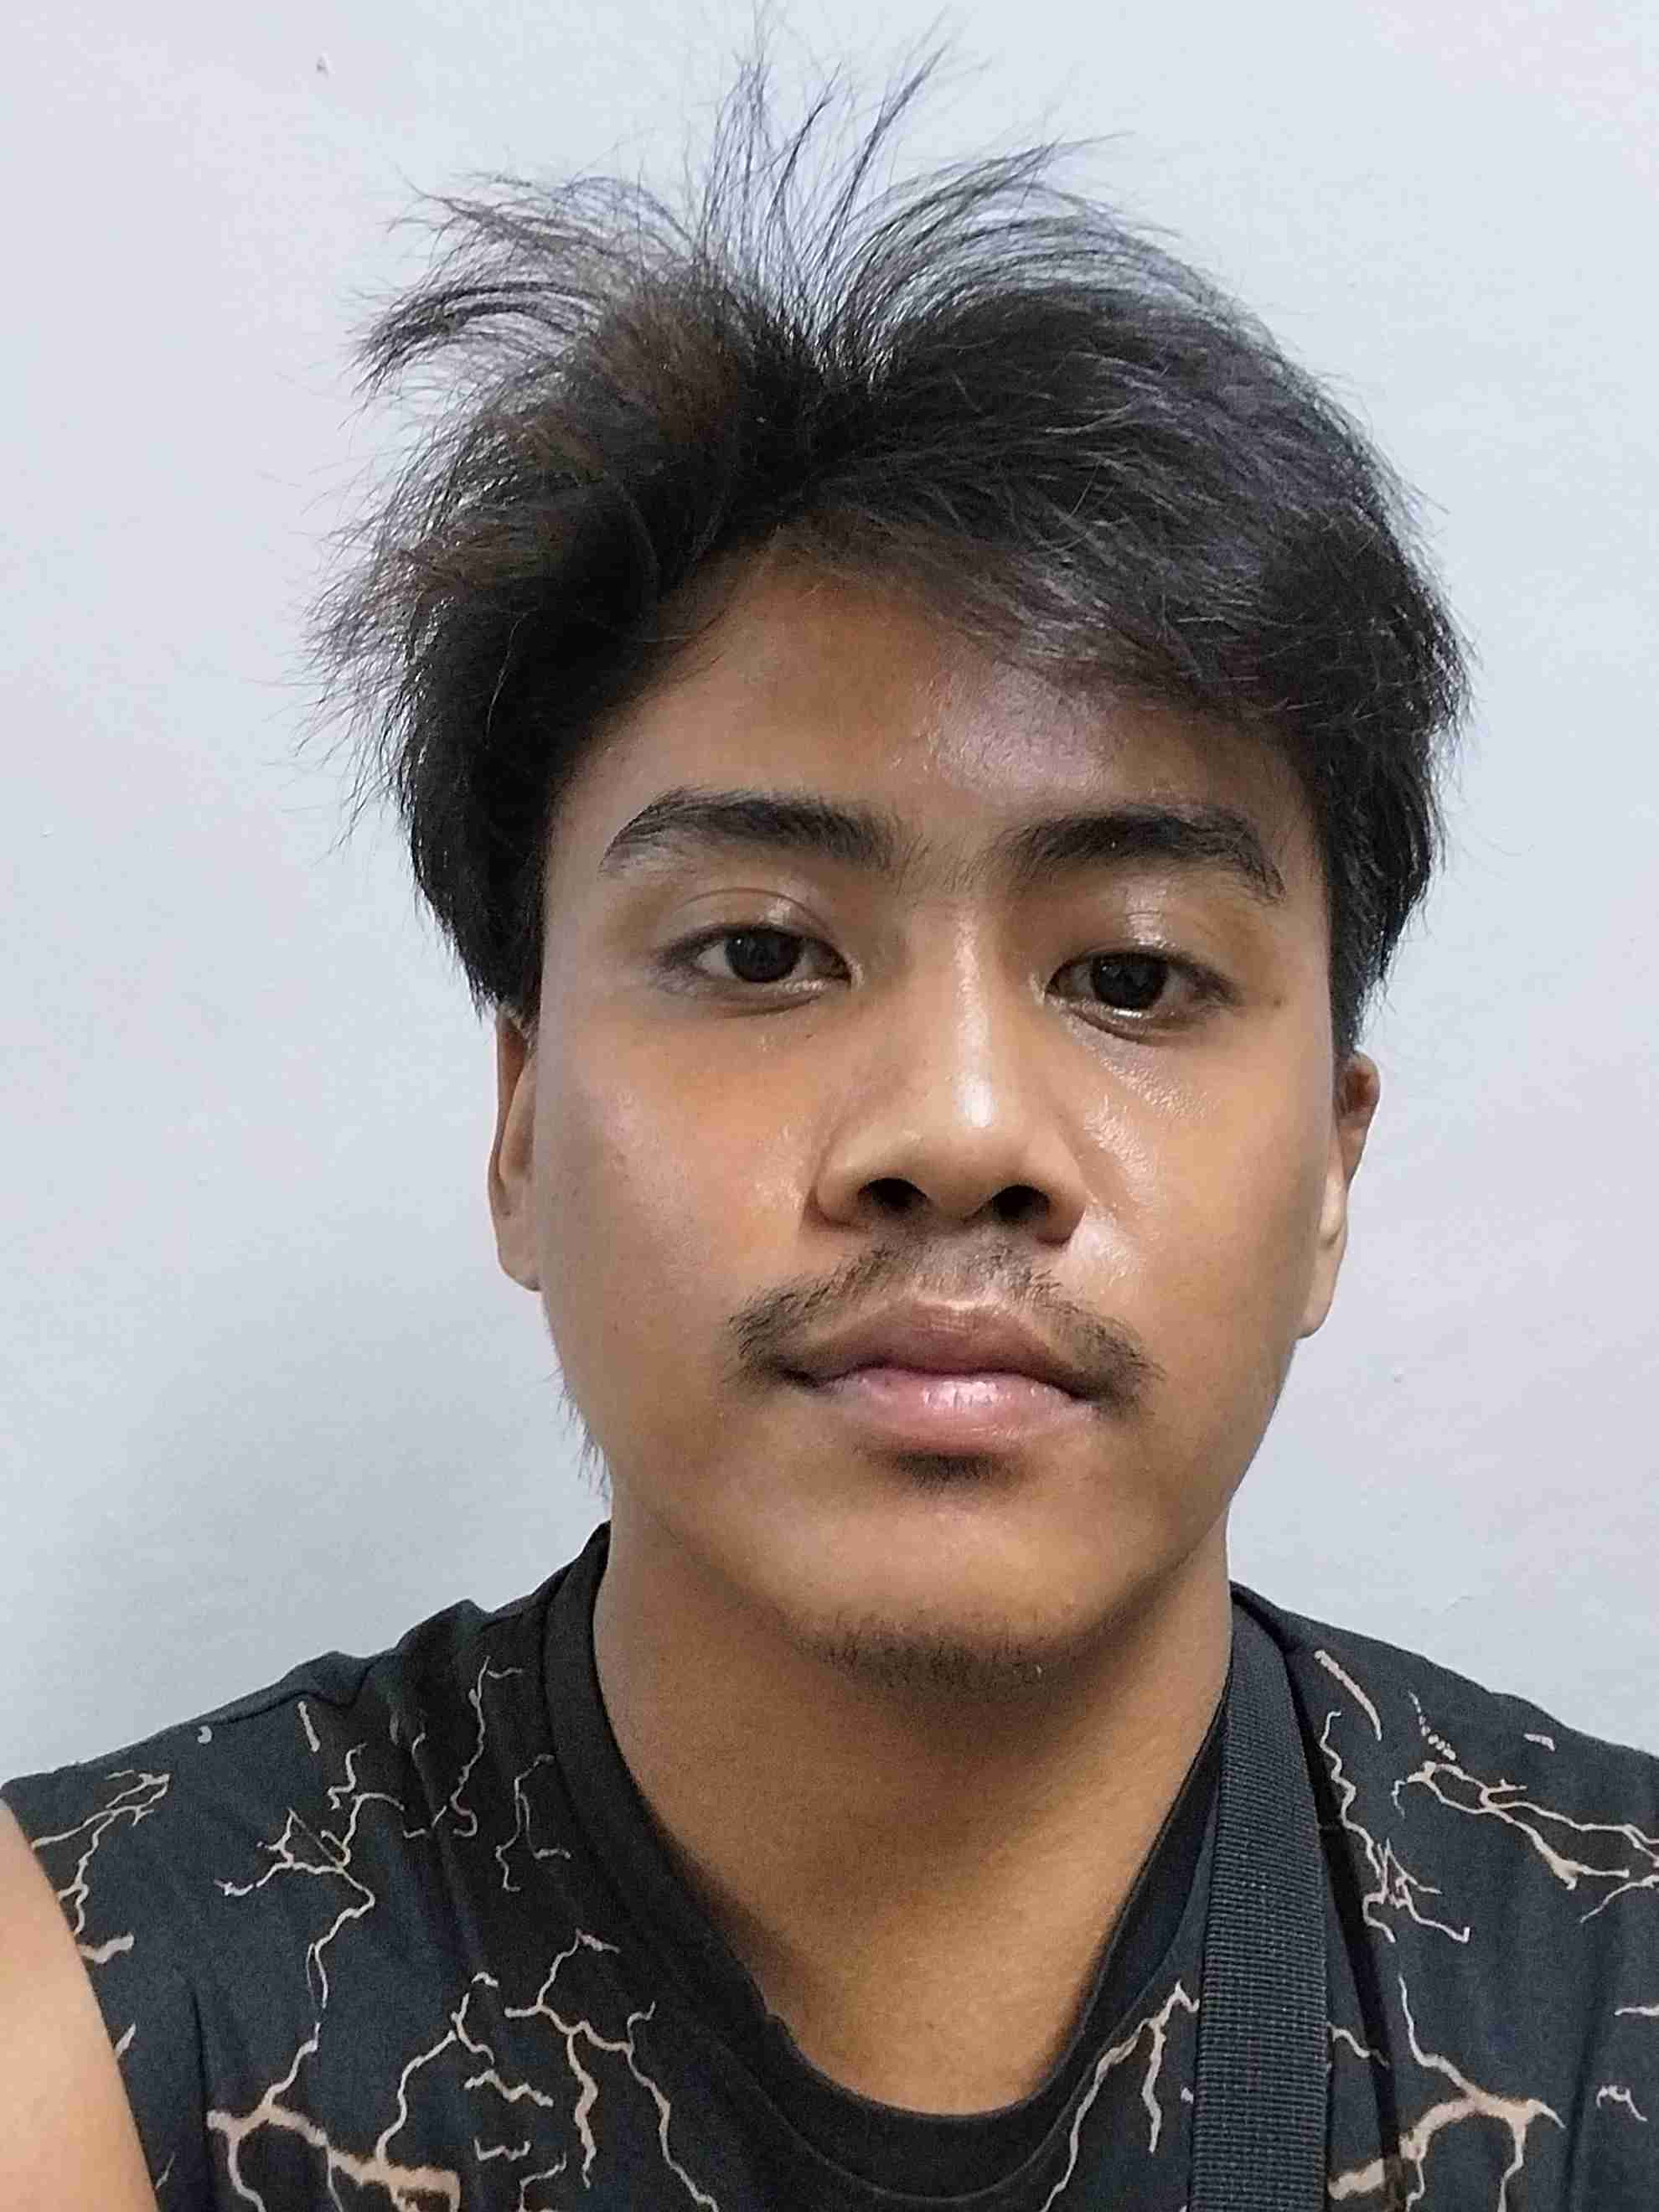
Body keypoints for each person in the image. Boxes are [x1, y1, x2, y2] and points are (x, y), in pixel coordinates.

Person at [3, 54, 1656, 2212]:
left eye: (1133, 975)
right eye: (764, 952)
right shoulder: (93, 2024)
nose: (956, 1132)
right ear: (522, 1126)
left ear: (1333, 1167)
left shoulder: (1605, 1999)